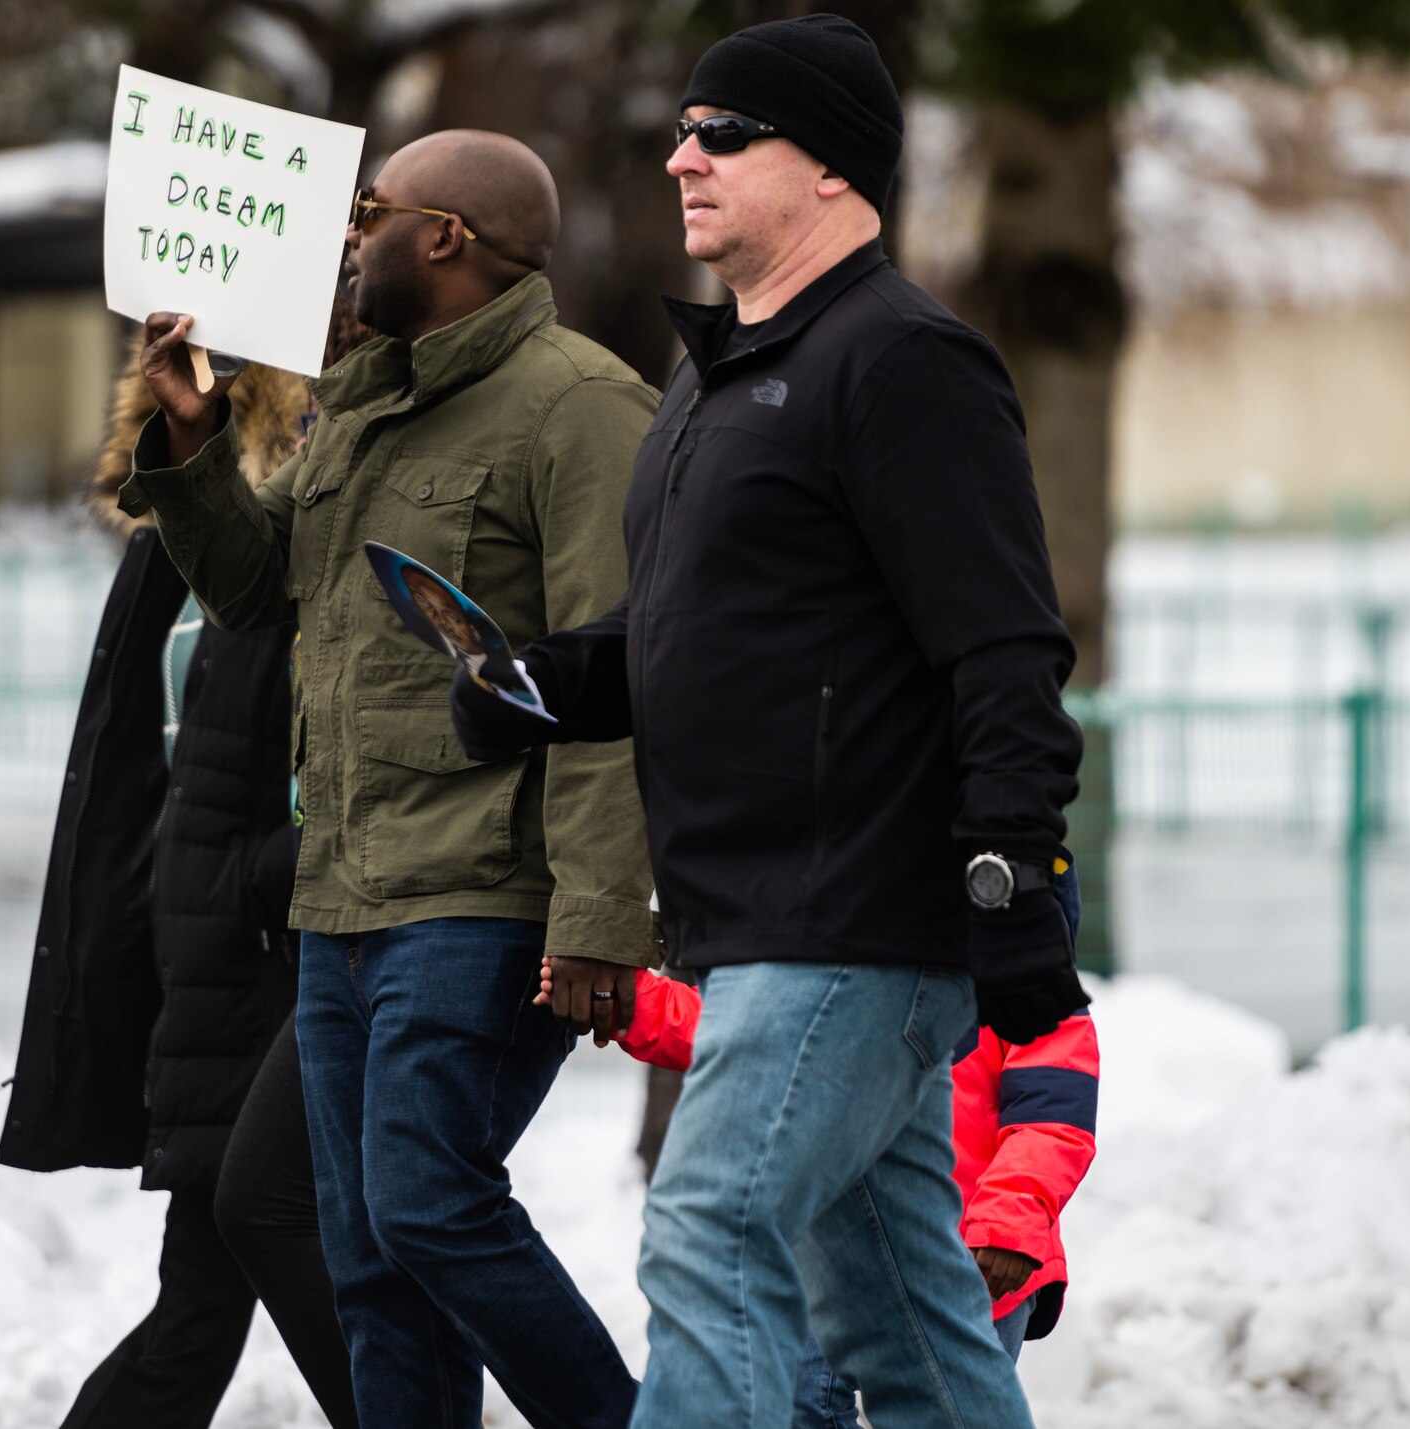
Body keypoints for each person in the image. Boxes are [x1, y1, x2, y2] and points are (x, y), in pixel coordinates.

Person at [450, 15, 1088, 1428]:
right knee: (899, 1316)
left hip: (852, 922)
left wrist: (1009, 877)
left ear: (834, 174)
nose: (683, 156)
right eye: (683, 129)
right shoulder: (713, 381)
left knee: (709, 1230)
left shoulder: (907, 361)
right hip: (754, 925)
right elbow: (701, 636)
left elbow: (1006, 652)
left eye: (726, 133)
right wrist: (543, 683)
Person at [119, 129, 657, 1429]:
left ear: (446, 238)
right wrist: (190, 447)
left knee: (428, 1203)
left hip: (482, 897)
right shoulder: (359, 404)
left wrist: (598, 915)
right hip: (345, 898)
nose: (347, 239)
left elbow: (624, 681)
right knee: (364, 1252)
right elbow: (258, 595)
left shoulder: (580, 404)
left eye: (370, 213)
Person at [0, 331, 359, 1429]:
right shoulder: (193, 550)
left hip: (277, 947)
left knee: (233, 1283)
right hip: (226, 953)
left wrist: (274, 873)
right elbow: (152, 771)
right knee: (239, 1280)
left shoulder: (315, 532)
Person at [545, 858, 1099, 1426]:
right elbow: (751, 1036)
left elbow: (1052, 1124)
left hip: (974, 1264)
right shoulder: (855, 981)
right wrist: (642, 1004)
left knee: (945, 1402)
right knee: (801, 1405)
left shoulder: (1036, 1003)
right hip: (830, 1241)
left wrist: (1007, 1224)